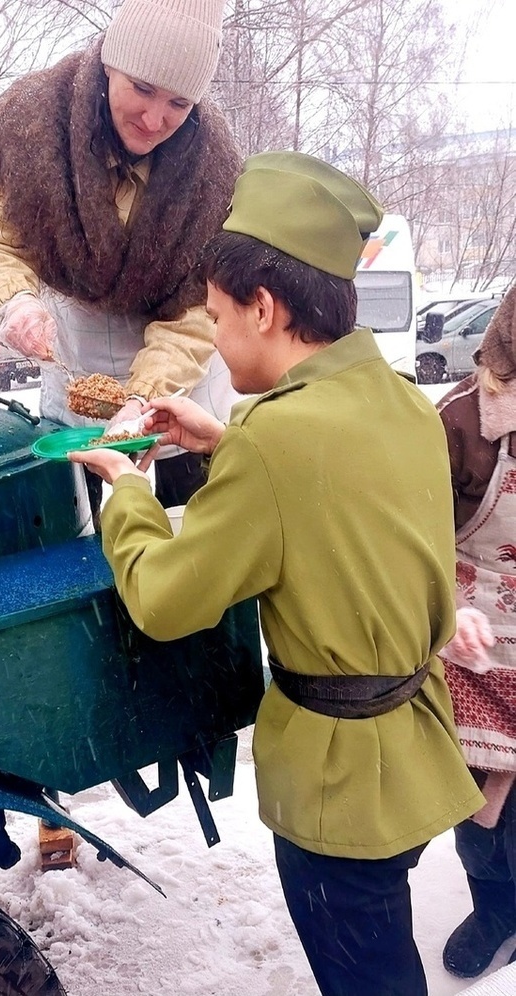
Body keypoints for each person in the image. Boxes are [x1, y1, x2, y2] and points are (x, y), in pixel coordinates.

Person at [68, 150, 484, 996]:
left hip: (337, 787)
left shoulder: (275, 439)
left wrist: (129, 487)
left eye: (218, 318)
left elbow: (165, 599)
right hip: (408, 752)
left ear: (266, 307)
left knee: (366, 976)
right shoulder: (403, 398)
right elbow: (345, 500)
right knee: (379, 938)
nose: (215, 340)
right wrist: (224, 442)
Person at [0, 0, 241, 515]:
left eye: (180, 103)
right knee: (85, 556)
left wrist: (144, 399)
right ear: (111, 62)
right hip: (74, 383)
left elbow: (199, 311)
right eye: (142, 88)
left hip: (181, 402)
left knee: (189, 553)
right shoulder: (31, 124)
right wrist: (15, 303)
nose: (156, 119)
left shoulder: (214, 170)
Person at [436, 286, 516, 980]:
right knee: (480, 797)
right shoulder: (464, 420)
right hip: (481, 647)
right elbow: (414, 536)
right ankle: (496, 910)